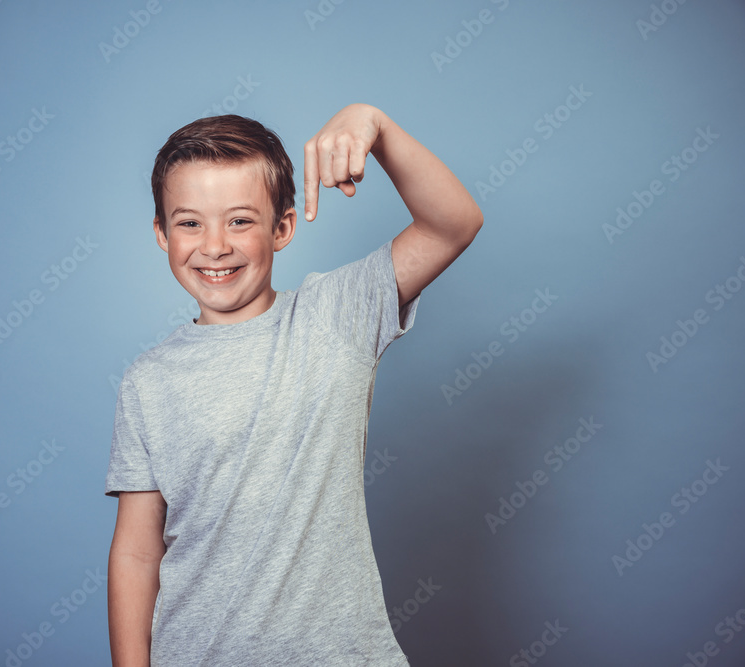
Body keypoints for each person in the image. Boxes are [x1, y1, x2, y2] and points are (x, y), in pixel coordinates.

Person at [105, 103, 483, 665]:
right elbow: (137, 553)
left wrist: (372, 125)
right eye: (190, 222)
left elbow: (453, 223)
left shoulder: (336, 316)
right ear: (162, 232)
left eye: (240, 220)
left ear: (281, 227)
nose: (214, 245)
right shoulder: (148, 382)